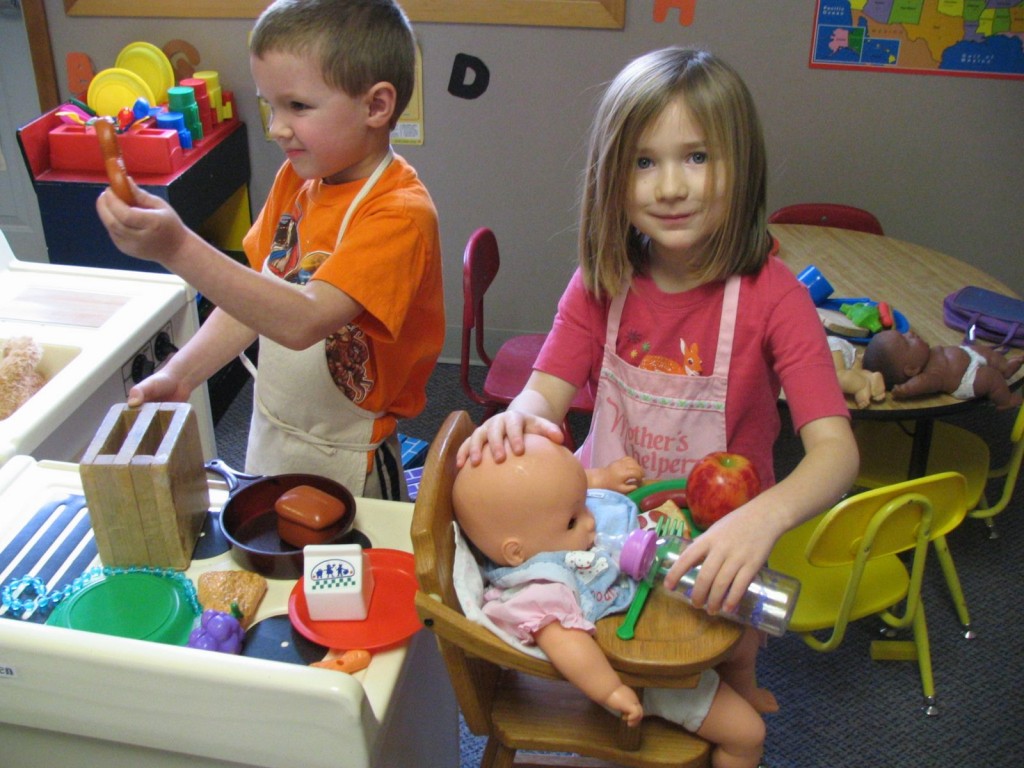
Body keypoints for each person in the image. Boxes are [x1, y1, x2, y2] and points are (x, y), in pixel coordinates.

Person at [456, 46, 859, 712]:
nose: (670, 187)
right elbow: (544, 393)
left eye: (697, 157)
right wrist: (517, 418)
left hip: (720, 537)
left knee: (727, 657)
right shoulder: (599, 284)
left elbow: (837, 452)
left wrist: (765, 519)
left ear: (743, 165)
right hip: (595, 530)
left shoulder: (775, 297)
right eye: (644, 162)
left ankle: (742, 693)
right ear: (611, 177)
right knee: (620, 675)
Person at [96, 0, 444, 500]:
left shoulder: (399, 215)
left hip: (351, 459)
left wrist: (176, 247)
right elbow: (256, 302)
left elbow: (302, 320)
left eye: (298, 107)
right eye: (271, 105)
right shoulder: (298, 181)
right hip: (272, 434)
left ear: (376, 106)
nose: (276, 127)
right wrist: (181, 373)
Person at [453, 434, 765, 768]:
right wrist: (611, 692)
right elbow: (567, 645)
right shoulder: (543, 590)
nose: (591, 521)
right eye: (573, 520)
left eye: (584, 502)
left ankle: (746, 691)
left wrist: (602, 479)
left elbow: (562, 488)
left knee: (744, 635)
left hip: (653, 611)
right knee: (748, 734)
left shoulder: (543, 527)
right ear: (516, 553)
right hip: (641, 669)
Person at [862, 329, 1023, 408]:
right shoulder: (931, 376)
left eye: (904, 334)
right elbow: (920, 384)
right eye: (907, 341)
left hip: (969, 355)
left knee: (987, 353)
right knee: (991, 377)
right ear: (911, 369)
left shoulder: (927, 355)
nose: (910, 333)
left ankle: (1006, 368)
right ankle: (1004, 400)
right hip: (967, 379)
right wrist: (904, 390)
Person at [829, 336, 886, 409]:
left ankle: (862, 386)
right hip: (838, 345)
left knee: (836, 377)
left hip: (831, 348)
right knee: (855, 372)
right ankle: (871, 377)